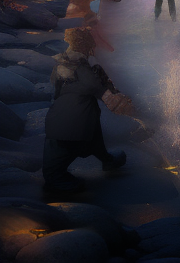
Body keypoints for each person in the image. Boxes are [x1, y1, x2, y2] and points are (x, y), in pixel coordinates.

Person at [42, 26, 131, 191]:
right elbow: (108, 99)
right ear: (85, 47)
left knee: (88, 114)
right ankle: (104, 160)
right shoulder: (85, 71)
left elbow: (58, 94)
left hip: (55, 125)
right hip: (74, 130)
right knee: (86, 115)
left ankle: (106, 158)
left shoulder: (59, 68)